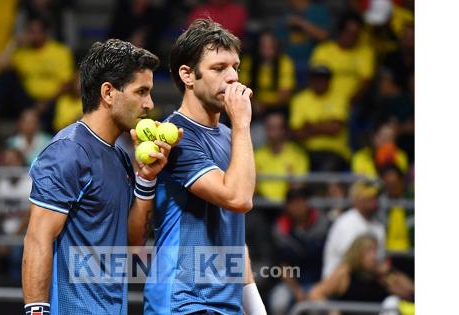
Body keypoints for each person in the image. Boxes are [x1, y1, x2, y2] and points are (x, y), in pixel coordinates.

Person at [22, 39, 175, 314]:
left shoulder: (119, 157)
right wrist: (37, 311)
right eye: (141, 91)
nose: (149, 103)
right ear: (108, 92)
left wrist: (146, 179)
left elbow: (132, 243)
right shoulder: (68, 151)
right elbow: (37, 238)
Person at [143, 19, 266, 315]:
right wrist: (242, 123)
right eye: (219, 68)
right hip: (183, 302)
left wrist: (257, 309)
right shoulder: (174, 137)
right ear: (188, 75)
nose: (233, 77)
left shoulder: (230, 135)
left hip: (226, 304)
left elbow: (234, 232)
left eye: (235, 66)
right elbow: (238, 198)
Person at [0, 14, 74, 127]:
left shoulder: (60, 52)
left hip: (52, 101)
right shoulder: (23, 53)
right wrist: (14, 43)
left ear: (45, 33)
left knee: (59, 104)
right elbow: (1, 65)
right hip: (28, 99)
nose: (31, 35)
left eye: (35, 32)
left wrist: (46, 102)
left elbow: (67, 84)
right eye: (30, 31)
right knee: (7, 76)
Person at [269, 187, 329, 315]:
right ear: (287, 206)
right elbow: (282, 265)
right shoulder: (280, 228)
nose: (297, 206)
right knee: (278, 301)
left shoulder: (323, 224)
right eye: (293, 203)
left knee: (317, 307)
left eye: (301, 201)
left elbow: (329, 259)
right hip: (293, 283)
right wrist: (297, 291)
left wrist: (320, 289)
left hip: (319, 282)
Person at [309, 234, 414, 304]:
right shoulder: (345, 272)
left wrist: (389, 272)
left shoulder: (380, 274)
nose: (374, 256)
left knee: (392, 302)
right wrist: (331, 310)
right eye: (369, 251)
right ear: (357, 253)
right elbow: (315, 293)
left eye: (375, 251)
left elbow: (409, 291)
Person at [290, 65, 351, 171]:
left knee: (327, 169)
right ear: (310, 80)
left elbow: (335, 129)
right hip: (306, 150)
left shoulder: (340, 97)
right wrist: (326, 125)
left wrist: (310, 127)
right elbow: (297, 134)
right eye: (316, 78)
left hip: (334, 150)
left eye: (323, 79)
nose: (320, 82)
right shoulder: (299, 100)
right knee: (296, 166)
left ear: (330, 81)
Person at [0, 148, 32, 281]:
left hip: (23, 235)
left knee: (16, 255)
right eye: (7, 162)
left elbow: (29, 218)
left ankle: (15, 295)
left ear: (21, 162)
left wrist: (8, 242)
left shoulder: (30, 182)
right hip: (1, 234)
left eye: (13, 161)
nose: (9, 165)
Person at [322, 181, 385, 278]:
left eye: (375, 197)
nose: (374, 200)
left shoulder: (379, 227)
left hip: (368, 278)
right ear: (357, 200)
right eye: (369, 197)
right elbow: (353, 260)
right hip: (339, 280)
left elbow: (380, 258)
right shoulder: (345, 222)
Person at [254, 110, 309, 203]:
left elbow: (299, 187)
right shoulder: (257, 155)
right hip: (262, 205)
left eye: (275, 128)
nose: (271, 132)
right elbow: (252, 187)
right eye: (269, 127)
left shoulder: (297, 155)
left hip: (288, 204)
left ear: (284, 130)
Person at [275, 0, 332, 88]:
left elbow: (324, 36)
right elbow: (276, 41)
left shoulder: (318, 11)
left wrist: (301, 23)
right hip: (288, 67)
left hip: (313, 66)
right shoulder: (286, 13)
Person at [239, 31, 296, 115]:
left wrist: (263, 105)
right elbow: (242, 89)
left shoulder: (285, 62)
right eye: (263, 45)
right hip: (251, 105)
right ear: (258, 46)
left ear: (276, 46)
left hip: (276, 108)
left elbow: (284, 96)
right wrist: (254, 103)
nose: (267, 49)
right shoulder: (248, 62)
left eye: (270, 45)